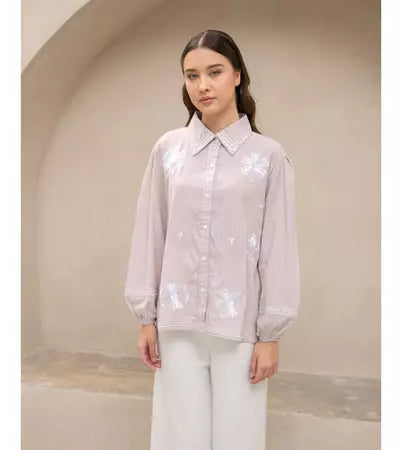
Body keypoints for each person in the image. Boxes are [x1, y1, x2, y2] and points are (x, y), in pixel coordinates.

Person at [123, 29, 300, 450]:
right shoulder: (168, 150)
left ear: (237, 75)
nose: (202, 85)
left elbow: (278, 247)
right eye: (192, 75)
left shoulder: (268, 156)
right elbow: (150, 231)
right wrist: (146, 316)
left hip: (239, 329)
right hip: (177, 323)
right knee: (177, 438)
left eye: (214, 72)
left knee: (239, 438)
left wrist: (271, 334)